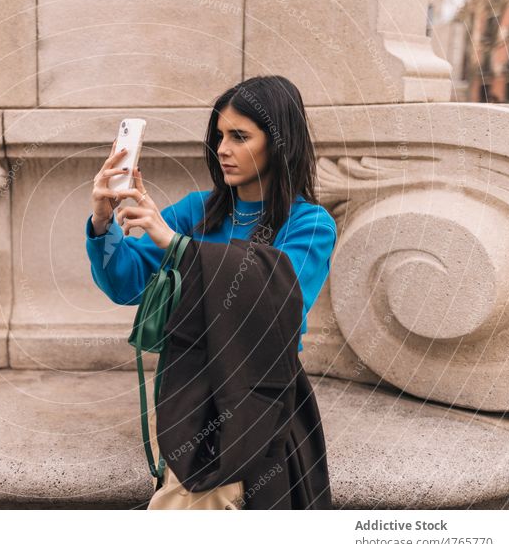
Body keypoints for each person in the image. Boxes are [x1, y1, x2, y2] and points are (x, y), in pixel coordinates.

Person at [84, 75, 337, 509]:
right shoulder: (195, 211)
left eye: (240, 136)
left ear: (279, 143)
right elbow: (125, 285)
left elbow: (274, 300)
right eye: (219, 135)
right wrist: (103, 221)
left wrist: (177, 246)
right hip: (186, 396)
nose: (222, 149)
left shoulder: (309, 225)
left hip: (257, 397)